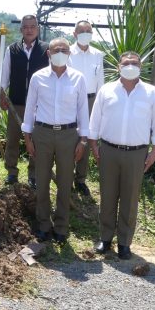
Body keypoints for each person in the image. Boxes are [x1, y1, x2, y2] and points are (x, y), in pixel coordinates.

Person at [89, 51, 155, 259]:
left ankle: (124, 242)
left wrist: (154, 152)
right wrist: (94, 145)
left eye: (134, 63)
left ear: (141, 67)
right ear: (118, 67)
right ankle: (105, 238)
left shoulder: (151, 93)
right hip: (109, 150)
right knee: (107, 195)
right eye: (126, 63)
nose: (130, 66)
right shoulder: (106, 90)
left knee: (130, 199)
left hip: (136, 153)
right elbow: (95, 119)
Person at [22, 38, 89, 243]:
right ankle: (43, 225)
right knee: (41, 181)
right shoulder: (37, 77)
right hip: (42, 134)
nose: (60, 52)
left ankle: (61, 227)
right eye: (56, 49)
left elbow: (83, 110)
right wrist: (27, 137)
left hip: (69, 135)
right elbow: (30, 107)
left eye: (64, 49)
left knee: (64, 182)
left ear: (69, 53)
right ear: (48, 54)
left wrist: (83, 140)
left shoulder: (78, 78)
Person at [0, 14, 49, 188]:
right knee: (12, 139)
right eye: (26, 27)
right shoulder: (12, 49)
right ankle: (11, 172)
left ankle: (33, 175)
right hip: (16, 102)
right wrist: (1, 94)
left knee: (36, 140)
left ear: (37, 28)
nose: (29, 30)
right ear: (21, 29)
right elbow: (5, 75)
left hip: (39, 105)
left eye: (32, 26)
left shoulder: (46, 49)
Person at [69, 20, 104, 197]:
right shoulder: (67, 52)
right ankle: (66, 178)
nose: (85, 33)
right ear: (74, 34)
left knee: (87, 138)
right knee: (69, 138)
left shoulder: (98, 54)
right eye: (81, 30)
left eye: (88, 30)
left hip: (91, 100)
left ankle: (80, 179)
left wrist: (100, 105)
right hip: (70, 100)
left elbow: (100, 82)